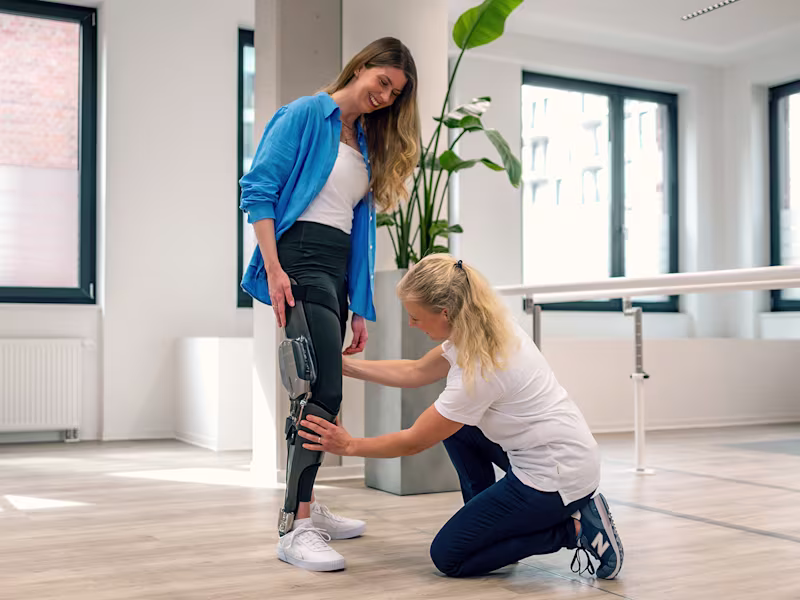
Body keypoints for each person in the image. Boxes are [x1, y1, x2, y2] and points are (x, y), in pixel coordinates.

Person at [297, 254, 624, 579]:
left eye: (415, 317)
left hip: (555, 478)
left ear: (445, 313)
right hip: (560, 453)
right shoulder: (483, 327)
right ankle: (492, 528)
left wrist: (349, 445)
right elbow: (415, 370)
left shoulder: (481, 368)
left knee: (449, 556)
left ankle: (576, 530)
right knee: (458, 429)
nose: (412, 324)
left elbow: (414, 441)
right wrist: (340, 366)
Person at [238, 37, 420, 572]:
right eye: (381, 81)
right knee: (322, 386)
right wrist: (273, 269)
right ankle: (292, 529)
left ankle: (309, 508)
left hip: (335, 270)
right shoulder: (301, 115)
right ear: (360, 67)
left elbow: (359, 228)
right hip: (297, 259)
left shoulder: (363, 139)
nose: (384, 96)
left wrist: (358, 303)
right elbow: (258, 191)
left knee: (323, 390)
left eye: (395, 92)